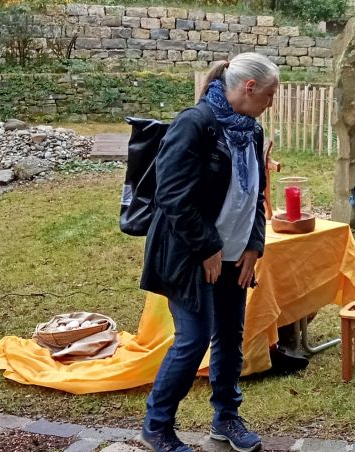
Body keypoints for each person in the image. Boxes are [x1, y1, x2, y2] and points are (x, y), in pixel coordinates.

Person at [140, 52, 279, 452]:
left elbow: (255, 194)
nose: (271, 103)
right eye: (269, 94)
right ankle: (156, 426)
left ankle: (226, 418)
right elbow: (172, 195)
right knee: (193, 339)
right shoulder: (195, 123)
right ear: (249, 87)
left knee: (231, 338)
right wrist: (207, 247)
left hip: (235, 255)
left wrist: (254, 245)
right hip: (189, 254)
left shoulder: (251, 130)